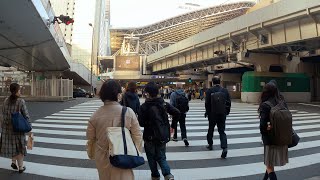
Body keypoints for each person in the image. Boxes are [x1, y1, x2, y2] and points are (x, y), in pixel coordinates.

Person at [86, 80, 143, 180]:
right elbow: (137, 135)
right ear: (118, 95)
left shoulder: (95, 116)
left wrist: (92, 154)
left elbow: (91, 139)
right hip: (123, 154)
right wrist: (135, 151)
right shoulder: (128, 112)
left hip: (102, 155)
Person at [138, 82, 180, 180]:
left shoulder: (144, 107)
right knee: (161, 156)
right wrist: (173, 125)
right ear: (158, 92)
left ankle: (155, 176)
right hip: (162, 135)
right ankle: (167, 174)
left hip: (149, 136)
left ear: (147, 93)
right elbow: (177, 113)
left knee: (151, 157)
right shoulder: (164, 104)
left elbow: (141, 124)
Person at [258, 82, 289, 180]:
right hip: (282, 136)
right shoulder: (282, 102)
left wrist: (264, 132)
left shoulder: (265, 105)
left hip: (270, 138)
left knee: (269, 165)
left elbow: (263, 125)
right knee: (269, 162)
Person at [0, 83, 32, 173]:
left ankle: (13, 161)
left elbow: (2, 114)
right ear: (17, 91)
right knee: (19, 148)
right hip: (18, 128)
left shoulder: (6, 100)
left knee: (13, 146)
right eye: (19, 90)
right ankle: (21, 167)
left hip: (7, 129)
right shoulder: (20, 101)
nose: (20, 91)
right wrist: (29, 127)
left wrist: (4, 125)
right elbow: (26, 115)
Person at [204, 76, 231, 158]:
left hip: (212, 114)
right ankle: (224, 147)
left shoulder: (209, 90)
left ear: (212, 82)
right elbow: (228, 102)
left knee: (211, 129)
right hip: (222, 113)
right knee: (222, 131)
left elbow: (207, 103)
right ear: (220, 82)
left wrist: (207, 112)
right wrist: (226, 112)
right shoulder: (225, 90)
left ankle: (210, 144)